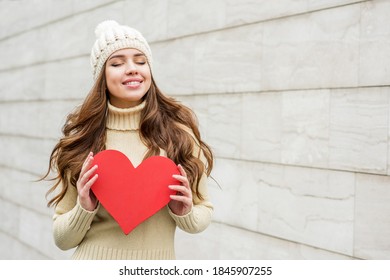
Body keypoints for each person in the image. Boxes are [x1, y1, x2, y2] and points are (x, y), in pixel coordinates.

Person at [42, 20, 214, 259]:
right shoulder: (83, 140)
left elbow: (202, 214)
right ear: (102, 75)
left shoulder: (178, 135)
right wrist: (84, 208)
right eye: (117, 63)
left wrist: (184, 212)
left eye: (140, 61)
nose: (132, 68)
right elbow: (62, 239)